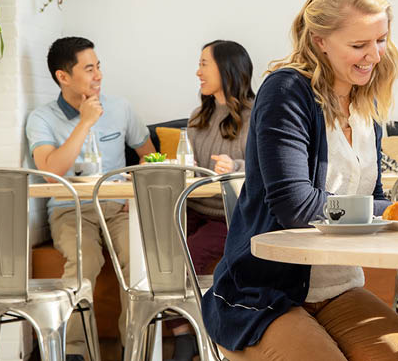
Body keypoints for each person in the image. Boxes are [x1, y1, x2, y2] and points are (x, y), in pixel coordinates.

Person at [201, 0, 398, 360]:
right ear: (320, 41)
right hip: (264, 293)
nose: (375, 55)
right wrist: (397, 212)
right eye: (359, 44)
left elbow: (369, 197)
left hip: (338, 287)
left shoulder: (364, 105)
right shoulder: (287, 92)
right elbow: (296, 206)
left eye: (381, 39)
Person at [25, 36, 155, 360]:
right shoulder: (41, 118)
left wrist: (134, 191)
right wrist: (85, 122)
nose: (98, 76)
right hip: (70, 209)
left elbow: (151, 156)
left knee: (137, 259)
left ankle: (134, 348)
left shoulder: (121, 108)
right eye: (88, 69)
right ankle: (74, 353)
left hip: (118, 207)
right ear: (63, 77)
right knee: (84, 262)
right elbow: (49, 170)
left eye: (98, 67)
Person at [168, 39, 256, 361]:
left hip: (232, 216)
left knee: (186, 253)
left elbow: (267, 167)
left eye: (204, 64)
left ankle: (203, 333)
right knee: (161, 248)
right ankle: (182, 333)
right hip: (194, 207)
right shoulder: (198, 117)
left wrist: (236, 167)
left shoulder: (256, 115)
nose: (198, 71)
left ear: (227, 68)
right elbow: (187, 167)